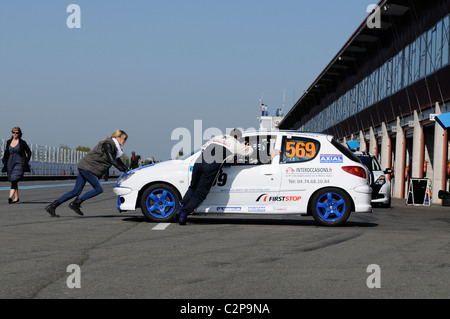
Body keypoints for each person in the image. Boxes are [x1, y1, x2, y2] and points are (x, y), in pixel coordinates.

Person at [45, 130, 129, 217]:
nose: (125, 141)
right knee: (98, 189)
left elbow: (117, 160)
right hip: (87, 167)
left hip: (85, 166)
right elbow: (112, 160)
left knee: (76, 191)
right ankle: (76, 203)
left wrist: (127, 169)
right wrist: (123, 170)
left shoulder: (114, 147)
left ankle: (52, 207)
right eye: (124, 139)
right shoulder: (108, 144)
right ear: (117, 137)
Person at [177, 129, 253, 225]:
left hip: (199, 162)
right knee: (200, 193)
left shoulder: (217, 137)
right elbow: (249, 152)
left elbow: (203, 148)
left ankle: (180, 208)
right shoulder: (235, 143)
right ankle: (184, 214)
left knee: (193, 187)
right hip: (211, 166)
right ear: (238, 137)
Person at [1, 127, 32, 204]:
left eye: (16, 133)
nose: (15, 134)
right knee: (13, 180)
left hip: (19, 163)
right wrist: (4, 161)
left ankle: (10, 197)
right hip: (10, 163)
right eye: (13, 132)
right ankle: (17, 198)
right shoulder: (8, 142)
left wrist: (25, 162)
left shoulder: (22, 143)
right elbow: (6, 152)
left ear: (19, 134)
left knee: (14, 179)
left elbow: (29, 152)